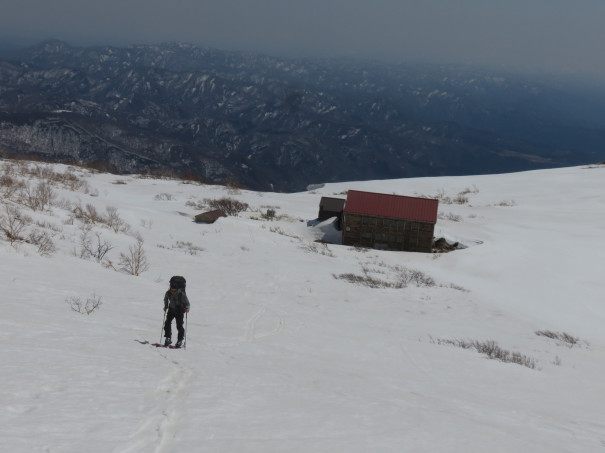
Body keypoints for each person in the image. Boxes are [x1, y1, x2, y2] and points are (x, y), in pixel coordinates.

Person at [163, 281, 190, 347]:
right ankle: (168, 338)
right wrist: (166, 306)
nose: (173, 292)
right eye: (172, 290)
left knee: (179, 326)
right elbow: (165, 299)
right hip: (171, 310)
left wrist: (187, 308)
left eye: (174, 291)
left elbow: (187, 303)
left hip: (179, 311)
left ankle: (180, 340)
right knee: (167, 323)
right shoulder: (168, 293)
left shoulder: (182, 294)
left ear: (177, 290)